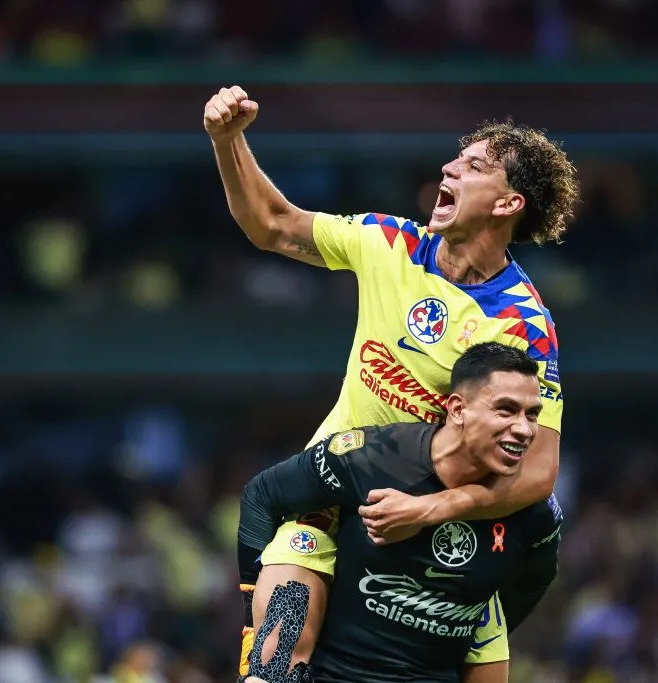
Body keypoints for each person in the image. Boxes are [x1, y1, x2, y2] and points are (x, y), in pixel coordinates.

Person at [203, 85, 579, 676]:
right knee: (276, 659)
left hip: (427, 525)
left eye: (474, 166)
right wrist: (228, 141)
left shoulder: (522, 327)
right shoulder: (389, 242)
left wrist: (429, 511)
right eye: (457, 157)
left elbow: (538, 473)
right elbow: (272, 225)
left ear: (508, 205)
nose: (449, 167)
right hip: (327, 498)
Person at [237, 343, 563, 683]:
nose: (524, 430)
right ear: (457, 409)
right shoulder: (373, 458)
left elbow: (533, 581)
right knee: (301, 540)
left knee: (490, 624)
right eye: (506, 410)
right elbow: (262, 495)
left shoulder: (533, 513)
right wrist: (249, 619)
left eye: (532, 414)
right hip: (332, 670)